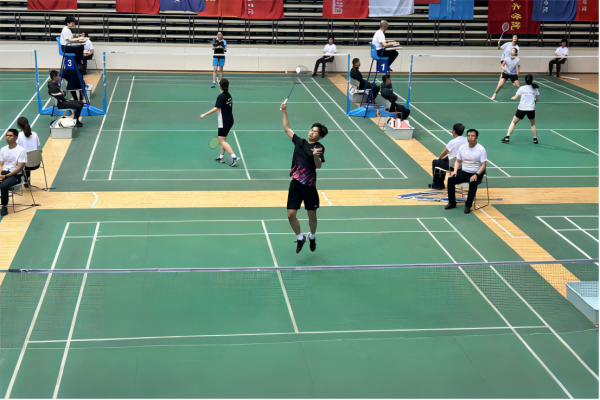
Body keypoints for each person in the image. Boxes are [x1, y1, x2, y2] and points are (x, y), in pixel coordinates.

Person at [281, 103, 327, 254]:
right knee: (290, 214)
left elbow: (318, 166)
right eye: (311, 130)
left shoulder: (319, 148)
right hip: (295, 185)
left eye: (315, 132)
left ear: (320, 136)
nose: (312, 133)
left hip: (309, 188)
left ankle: (312, 236)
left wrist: (315, 156)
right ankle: (300, 237)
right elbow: (287, 129)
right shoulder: (300, 142)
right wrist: (284, 111)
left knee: (312, 216)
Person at [445, 129, 487, 214]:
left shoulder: (481, 149)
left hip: (476, 173)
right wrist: (455, 171)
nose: (470, 137)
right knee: (451, 179)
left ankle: (468, 205)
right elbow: (458, 161)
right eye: (468, 136)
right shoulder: (462, 147)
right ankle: (452, 203)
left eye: (472, 136)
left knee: (473, 183)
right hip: (464, 171)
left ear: (476, 137)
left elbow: (483, 165)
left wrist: (476, 175)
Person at [200, 79, 238, 166]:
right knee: (223, 139)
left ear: (220, 86)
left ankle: (234, 157)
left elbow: (216, 108)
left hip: (224, 121)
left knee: (221, 141)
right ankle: (221, 157)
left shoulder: (221, 96)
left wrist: (204, 114)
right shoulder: (228, 95)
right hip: (230, 120)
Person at [502, 74, 540, 144]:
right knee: (533, 124)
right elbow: (537, 99)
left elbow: (515, 97)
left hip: (521, 108)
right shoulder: (535, 88)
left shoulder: (522, 88)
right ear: (532, 80)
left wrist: (512, 98)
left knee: (513, 122)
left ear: (525, 81)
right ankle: (535, 139)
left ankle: (507, 137)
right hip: (531, 109)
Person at [429, 123, 466, 190]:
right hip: (463, 164)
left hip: (453, 165)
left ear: (454, 131)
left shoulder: (453, 142)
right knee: (444, 160)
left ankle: (437, 184)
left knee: (436, 162)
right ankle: (440, 183)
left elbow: (444, 152)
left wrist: (439, 158)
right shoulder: (467, 140)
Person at [0, 129, 27, 216]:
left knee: (3, 185)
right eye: (7, 136)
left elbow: (19, 167)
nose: (7, 137)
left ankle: (4, 206)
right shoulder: (3, 149)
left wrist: (6, 176)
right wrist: (0, 174)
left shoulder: (21, 150)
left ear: (16, 137)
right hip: (3, 173)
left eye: (10, 135)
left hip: (15, 175)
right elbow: (1, 165)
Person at [16, 117, 40, 188]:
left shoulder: (19, 135)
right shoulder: (35, 134)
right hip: (36, 163)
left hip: (25, 165)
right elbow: (36, 145)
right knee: (28, 156)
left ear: (19, 126)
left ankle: (16, 181)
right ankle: (27, 180)